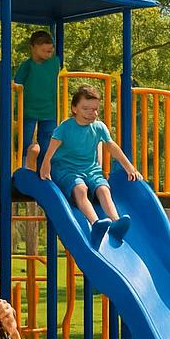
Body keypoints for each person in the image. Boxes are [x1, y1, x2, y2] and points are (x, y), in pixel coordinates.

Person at [39, 84, 140, 247]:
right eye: (85, 109)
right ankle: (96, 224)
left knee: (104, 189)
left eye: (94, 109)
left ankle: (116, 223)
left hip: (91, 170)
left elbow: (112, 147)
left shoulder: (99, 127)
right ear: (74, 108)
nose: (91, 113)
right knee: (81, 189)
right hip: (67, 169)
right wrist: (45, 165)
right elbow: (52, 148)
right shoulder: (66, 127)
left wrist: (129, 167)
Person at [15, 30, 60, 169]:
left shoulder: (55, 62)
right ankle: (23, 167)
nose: (48, 54)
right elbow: (16, 84)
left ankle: (43, 169)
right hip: (29, 110)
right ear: (33, 48)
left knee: (47, 143)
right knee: (25, 140)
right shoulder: (27, 65)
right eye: (44, 51)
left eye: (50, 51)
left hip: (49, 111)